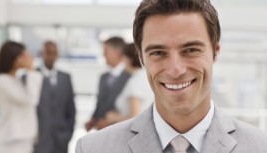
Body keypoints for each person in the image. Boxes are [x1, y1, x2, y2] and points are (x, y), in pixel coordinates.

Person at [76, 0, 267, 153]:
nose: (175, 70)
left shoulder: (260, 147)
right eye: (158, 53)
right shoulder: (93, 148)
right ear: (141, 58)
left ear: (216, 51)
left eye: (191, 50)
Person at [0, 41, 43, 153]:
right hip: (12, 141)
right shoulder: (2, 80)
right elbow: (31, 100)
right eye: (23, 56)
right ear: (12, 58)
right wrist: (31, 69)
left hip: (23, 139)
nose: (27, 58)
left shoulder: (16, 79)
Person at [34, 40, 76, 153]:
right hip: (38, 141)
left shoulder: (66, 78)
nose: (51, 56)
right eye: (48, 52)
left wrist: (68, 134)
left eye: (54, 53)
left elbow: (71, 109)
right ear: (41, 53)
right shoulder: (32, 76)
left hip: (60, 140)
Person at [85, 37, 131, 131]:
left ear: (117, 52)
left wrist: (109, 122)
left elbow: (131, 111)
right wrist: (93, 120)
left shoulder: (130, 77)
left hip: (119, 131)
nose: (103, 54)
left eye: (106, 50)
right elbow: (99, 103)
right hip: (100, 131)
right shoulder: (103, 77)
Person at [104, 43, 153, 125]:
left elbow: (135, 117)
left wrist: (114, 118)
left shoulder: (135, 82)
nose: (121, 62)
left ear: (128, 59)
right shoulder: (146, 76)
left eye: (122, 58)